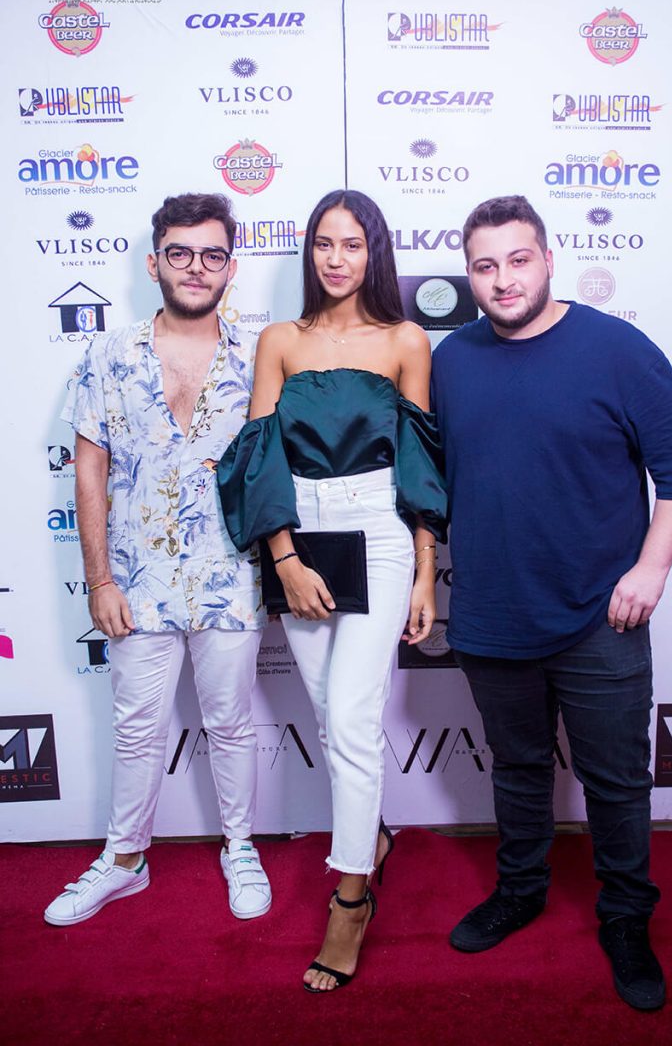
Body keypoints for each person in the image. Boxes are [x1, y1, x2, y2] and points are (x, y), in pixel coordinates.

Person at [430, 195, 672, 1012]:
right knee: (518, 769)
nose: (503, 279)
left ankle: (626, 918)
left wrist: (651, 571)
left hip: (602, 615)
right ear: (470, 275)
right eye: (485, 266)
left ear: (549, 259)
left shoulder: (617, 349)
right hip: (492, 615)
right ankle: (520, 891)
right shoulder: (451, 360)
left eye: (518, 259)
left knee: (617, 781)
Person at [217, 189, 447, 992]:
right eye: (323, 242)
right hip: (300, 535)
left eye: (352, 244)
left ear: (373, 252)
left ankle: (351, 899)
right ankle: (372, 834)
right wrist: (282, 556)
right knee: (326, 711)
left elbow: (420, 461)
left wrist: (425, 571)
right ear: (309, 251)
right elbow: (259, 455)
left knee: (350, 715)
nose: (336, 258)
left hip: (378, 530)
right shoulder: (279, 340)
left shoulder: (406, 339)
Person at [44, 193, 271, 927]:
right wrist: (100, 579)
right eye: (180, 252)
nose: (195, 267)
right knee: (137, 727)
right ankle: (124, 860)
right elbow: (88, 470)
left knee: (231, 722)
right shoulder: (108, 355)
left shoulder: (260, 355)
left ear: (230, 267)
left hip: (230, 576)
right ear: (155, 263)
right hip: (136, 582)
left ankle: (241, 847)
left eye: (211, 254)